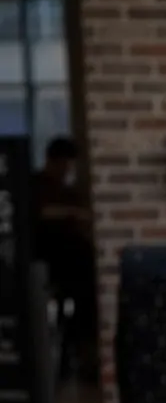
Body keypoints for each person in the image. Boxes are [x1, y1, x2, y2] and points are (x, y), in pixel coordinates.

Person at [31, 137, 96, 380]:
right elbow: (38, 213)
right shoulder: (34, 185)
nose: (66, 171)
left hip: (75, 264)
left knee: (84, 301)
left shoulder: (69, 192)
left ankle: (77, 357)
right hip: (47, 260)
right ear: (52, 161)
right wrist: (72, 214)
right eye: (64, 165)